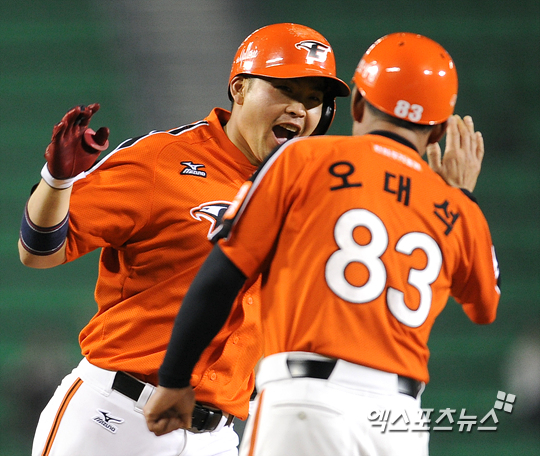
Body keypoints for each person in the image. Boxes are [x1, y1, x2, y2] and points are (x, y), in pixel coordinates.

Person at [142, 32, 501, 456]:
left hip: (308, 399)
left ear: (358, 104)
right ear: (439, 129)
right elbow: (485, 307)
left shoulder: (302, 159)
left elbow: (222, 275)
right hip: (399, 421)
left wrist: (175, 379)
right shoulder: (458, 210)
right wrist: (462, 198)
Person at [18, 23, 350, 456]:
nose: (298, 109)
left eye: (312, 99)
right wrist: (57, 180)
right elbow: (39, 251)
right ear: (240, 89)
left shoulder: (306, 192)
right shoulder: (161, 159)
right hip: (117, 416)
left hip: (217, 436)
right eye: (285, 89)